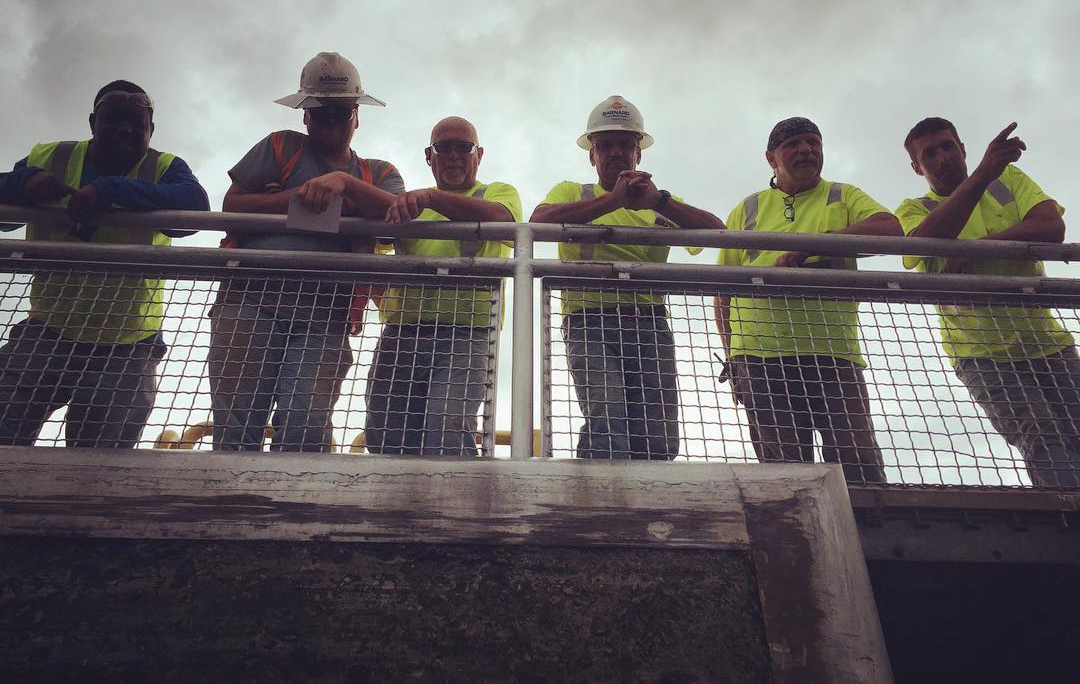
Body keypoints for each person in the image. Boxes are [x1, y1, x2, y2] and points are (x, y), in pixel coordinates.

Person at [209, 52, 403, 452]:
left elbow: (395, 216)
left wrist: (345, 186)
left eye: (341, 113)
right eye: (322, 112)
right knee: (236, 424)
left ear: (356, 116)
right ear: (305, 115)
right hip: (249, 303)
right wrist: (297, 196)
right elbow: (233, 205)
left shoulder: (378, 173)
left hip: (324, 316)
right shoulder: (281, 147)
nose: (331, 122)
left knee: (306, 425)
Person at [0, 80, 210, 447]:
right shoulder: (52, 157)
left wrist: (112, 190)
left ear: (151, 129)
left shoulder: (164, 167)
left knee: (95, 462)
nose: (125, 130)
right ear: (93, 121)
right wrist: (24, 182)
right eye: (114, 119)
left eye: (136, 122)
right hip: (49, 330)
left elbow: (194, 209)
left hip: (127, 345)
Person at [531, 95, 724, 460]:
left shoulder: (658, 202)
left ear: (639, 153)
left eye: (625, 145)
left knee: (658, 433)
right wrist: (613, 201)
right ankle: (600, 508)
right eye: (606, 146)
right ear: (592, 154)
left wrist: (660, 202)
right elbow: (538, 223)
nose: (616, 152)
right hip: (588, 322)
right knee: (608, 418)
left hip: (648, 325)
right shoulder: (573, 193)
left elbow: (717, 232)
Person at [897, 117, 1080, 486]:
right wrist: (981, 175)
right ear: (917, 167)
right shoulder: (913, 209)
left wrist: (976, 249)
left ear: (962, 148)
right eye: (930, 154)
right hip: (981, 354)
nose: (943, 158)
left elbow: (1051, 228)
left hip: (1048, 344)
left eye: (948, 146)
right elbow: (925, 240)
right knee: (1042, 436)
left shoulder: (1008, 181)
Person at [715, 116, 897, 484]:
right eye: (793, 145)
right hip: (759, 360)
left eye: (813, 142)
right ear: (771, 158)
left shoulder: (843, 195)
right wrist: (733, 358)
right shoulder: (745, 209)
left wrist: (808, 247)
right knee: (784, 479)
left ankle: (872, 539)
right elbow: (723, 291)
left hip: (833, 354)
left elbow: (891, 229)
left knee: (858, 467)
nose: (806, 150)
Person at [364, 116, 521, 455]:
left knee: (447, 426)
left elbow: (504, 221)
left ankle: (456, 505)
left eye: (463, 147)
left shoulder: (496, 193)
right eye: (444, 147)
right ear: (428, 155)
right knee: (384, 433)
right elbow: (373, 253)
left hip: (466, 337)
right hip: (401, 335)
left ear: (479, 154)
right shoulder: (408, 204)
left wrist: (432, 199)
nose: (453, 155)